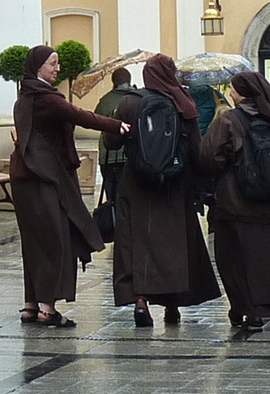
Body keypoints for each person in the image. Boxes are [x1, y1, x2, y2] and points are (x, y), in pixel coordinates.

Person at [12, 45, 128, 328]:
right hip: (47, 179)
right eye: (53, 63)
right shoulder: (45, 99)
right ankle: (48, 309)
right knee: (56, 241)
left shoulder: (25, 96)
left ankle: (30, 305)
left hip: (26, 179)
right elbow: (80, 115)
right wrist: (118, 126)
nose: (58, 68)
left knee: (35, 242)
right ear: (38, 66)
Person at [106, 55, 222, 327]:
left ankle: (140, 301)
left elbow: (112, 141)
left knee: (136, 243)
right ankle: (172, 307)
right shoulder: (183, 103)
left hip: (136, 183)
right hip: (174, 185)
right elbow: (196, 150)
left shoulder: (130, 102)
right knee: (174, 246)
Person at [199, 71, 270, 331]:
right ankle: (269, 306)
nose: (231, 94)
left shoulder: (229, 119)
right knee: (267, 257)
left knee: (233, 259)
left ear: (243, 93)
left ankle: (247, 309)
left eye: (234, 90)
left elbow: (208, 157)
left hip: (236, 202)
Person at [93, 67, 140, 198]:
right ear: (129, 80)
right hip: (131, 155)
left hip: (108, 156)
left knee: (112, 198)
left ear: (113, 81)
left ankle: (113, 218)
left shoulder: (105, 101)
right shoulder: (137, 98)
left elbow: (96, 121)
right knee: (130, 197)